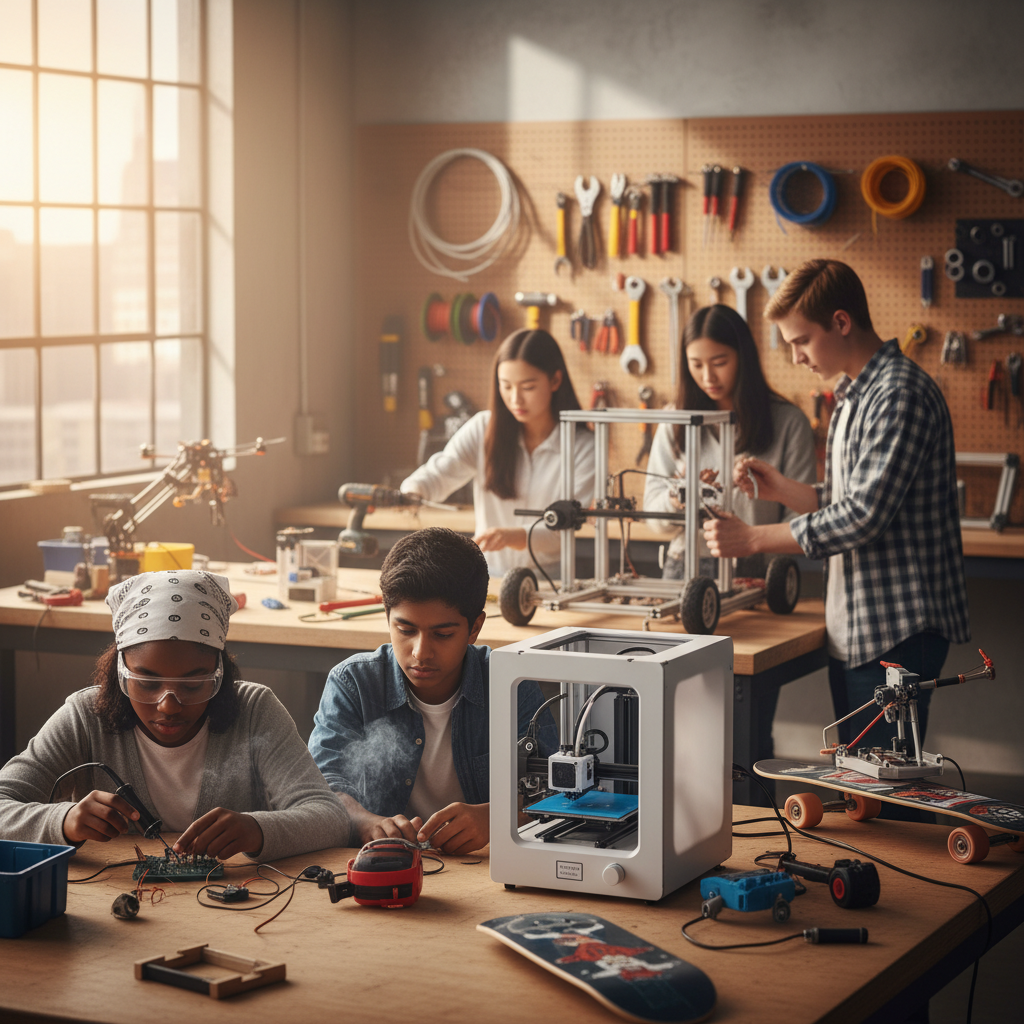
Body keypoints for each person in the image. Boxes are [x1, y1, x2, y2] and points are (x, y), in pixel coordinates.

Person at [704, 259, 970, 753]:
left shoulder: (898, 394)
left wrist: (754, 537)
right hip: (860, 624)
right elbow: (847, 500)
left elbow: (862, 517)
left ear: (841, 322)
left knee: (892, 795)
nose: (796, 356)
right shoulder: (852, 396)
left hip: (898, 629)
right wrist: (782, 489)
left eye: (801, 341)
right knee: (860, 787)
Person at [0, 570, 351, 861]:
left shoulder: (255, 712)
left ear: (220, 674)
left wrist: (256, 830)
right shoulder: (84, 717)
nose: (168, 706)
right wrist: (63, 820)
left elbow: (329, 816)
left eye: (194, 684)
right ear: (119, 673)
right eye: (147, 683)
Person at [308, 527, 558, 855]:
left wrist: (497, 818)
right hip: (385, 863)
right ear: (387, 617)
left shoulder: (510, 685)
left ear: (475, 628)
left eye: (442, 634)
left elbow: (559, 790)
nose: (421, 653)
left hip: (482, 872)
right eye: (406, 629)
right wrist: (366, 822)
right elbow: (321, 790)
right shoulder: (353, 684)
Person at [401, 328, 595, 578]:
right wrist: (412, 492)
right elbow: (441, 472)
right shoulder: (483, 428)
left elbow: (564, 529)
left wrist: (513, 536)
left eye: (528, 387)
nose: (515, 399)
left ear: (555, 381)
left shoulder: (583, 447)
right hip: (486, 579)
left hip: (550, 581)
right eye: (506, 386)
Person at [644, 303, 816, 581]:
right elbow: (653, 519)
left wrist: (756, 548)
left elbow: (801, 520)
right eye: (696, 365)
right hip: (684, 568)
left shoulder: (789, 423)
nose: (708, 377)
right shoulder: (674, 420)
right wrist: (678, 497)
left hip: (757, 571)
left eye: (720, 363)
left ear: (742, 357)